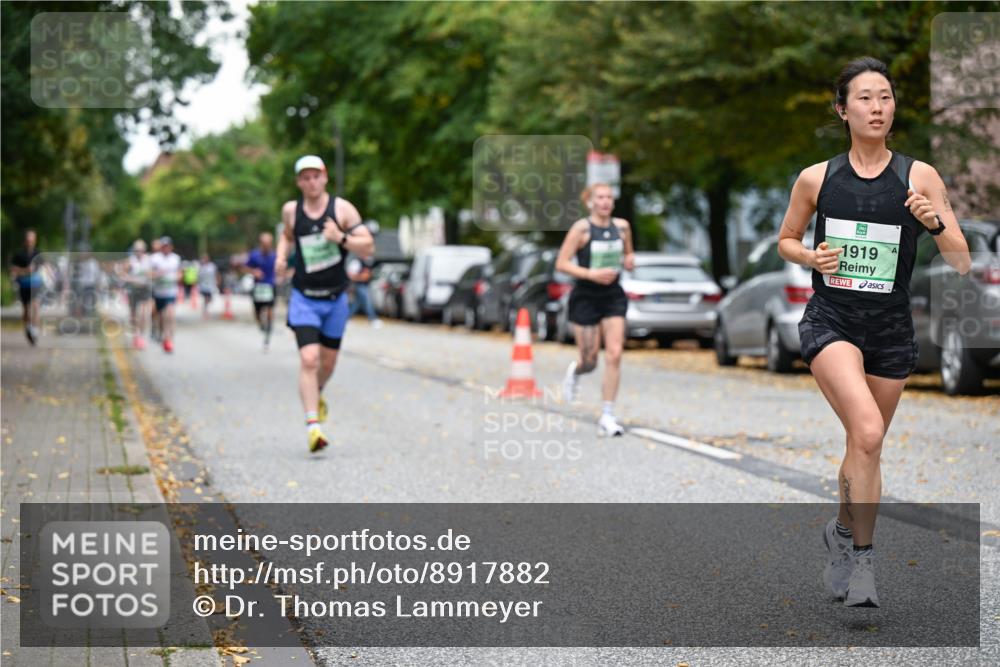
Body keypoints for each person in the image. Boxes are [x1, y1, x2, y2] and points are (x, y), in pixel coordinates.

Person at [777, 57, 971, 608]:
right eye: (864, 98)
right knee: (865, 431)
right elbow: (786, 239)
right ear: (843, 109)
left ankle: (841, 534)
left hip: (890, 329)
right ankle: (863, 564)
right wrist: (811, 256)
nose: (877, 107)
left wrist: (933, 222)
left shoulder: (919, 176)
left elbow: (960, 261)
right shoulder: (817, 177)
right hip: (831, 320)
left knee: (865, 447)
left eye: (884, 97)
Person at [275, 155, 375, 453]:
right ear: (299, 182)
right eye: (305, 177)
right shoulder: (292, 211)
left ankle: (315, 393)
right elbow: (286, 236)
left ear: (325, 177)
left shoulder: (342, 209)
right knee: (309, 359)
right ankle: (313, 427)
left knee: (327, 364)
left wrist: (340, 238)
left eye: (315, 176)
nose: (311, 182)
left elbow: (368, 246)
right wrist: (282, 257)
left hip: (335, 300)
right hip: (304, 298)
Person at [555, 183, 635, 436]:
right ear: (590, 202)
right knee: (590, 359)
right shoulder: (581, 229)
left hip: (612, 296)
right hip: (586, 296)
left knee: (614, 353)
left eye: (609, 197)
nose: (605, 202)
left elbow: (629, 255)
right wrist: (591, 273)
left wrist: (630, 260)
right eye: (600, 197)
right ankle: (577, 370)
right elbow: (562, 263)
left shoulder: (622, 227)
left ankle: (608, 415)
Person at [9, 229, 43, 345]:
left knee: (36, 305)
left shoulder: (38, 254)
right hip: (23, 284)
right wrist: (24, 271)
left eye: (32, 240)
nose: (30, 242)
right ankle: (28, 327)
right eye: (28, 240)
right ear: (25, 241)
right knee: (26, 309)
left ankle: (35, 329)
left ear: (35, 241)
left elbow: (42, 268)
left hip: (35, 284)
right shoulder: (19, 255)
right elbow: (13, 269)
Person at [246, 232, 278, 350]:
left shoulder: (275, 255)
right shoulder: (254, 255)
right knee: (257, 311)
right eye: (265, 244)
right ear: (261, 244)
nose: (267, 246)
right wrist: (254, 272)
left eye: (269, 244)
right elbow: (246, 267)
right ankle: (261, 323)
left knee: (270, 308)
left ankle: (269, 326)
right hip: (258, 287)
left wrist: (279, 276)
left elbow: (280, 268)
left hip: (270, 286)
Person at [150, 236, 182, 353]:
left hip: (171, 292)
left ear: (171, 247)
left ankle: (169, 340)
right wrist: (158, 274)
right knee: (161, 318)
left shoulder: (176, 259)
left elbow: (179, 274)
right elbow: (149, 274)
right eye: (163, 246)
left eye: (167, 246)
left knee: (170, 316)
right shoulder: (155, 258)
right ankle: (162, 334)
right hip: (158, 293)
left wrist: (176, 278)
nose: (166, 248)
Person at [121, 239, 153, 349]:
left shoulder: (149, 260)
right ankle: (136, 335)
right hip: (133, 291)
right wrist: (130, 279)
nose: (139, 252)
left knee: (144, 314)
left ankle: (141, 337)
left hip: (145, 289)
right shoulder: (130, 260)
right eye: (137, 250)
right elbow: (123, 274)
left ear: (144, 250)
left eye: (141, 250)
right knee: (134, 315)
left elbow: (153, 273)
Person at [347, 253, 383, 328]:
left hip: (365, 285)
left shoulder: (367, 263)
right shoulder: (356, 262)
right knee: (367, 300)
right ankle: (373, 318)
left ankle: (347, 318)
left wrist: (367, 276)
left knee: (356, 303)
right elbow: (350, 275)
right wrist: (361, 277)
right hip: (358, 285)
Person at [149, 237, 164, 341]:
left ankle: (160, 331)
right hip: (153, 287)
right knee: (154, 310)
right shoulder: (151, 258)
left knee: (162, 313)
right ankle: (154, 327)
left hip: (163, 289)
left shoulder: (165, 258)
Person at [197, 254, 218, 319]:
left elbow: (216, 274)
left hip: (211, 285)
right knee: (206, 298)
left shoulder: (212, 266)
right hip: (203, 285)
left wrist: (217, 281)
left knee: (210, 299)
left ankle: (205, 309)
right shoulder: (201, 267)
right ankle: (205, 312)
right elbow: (198, 276)